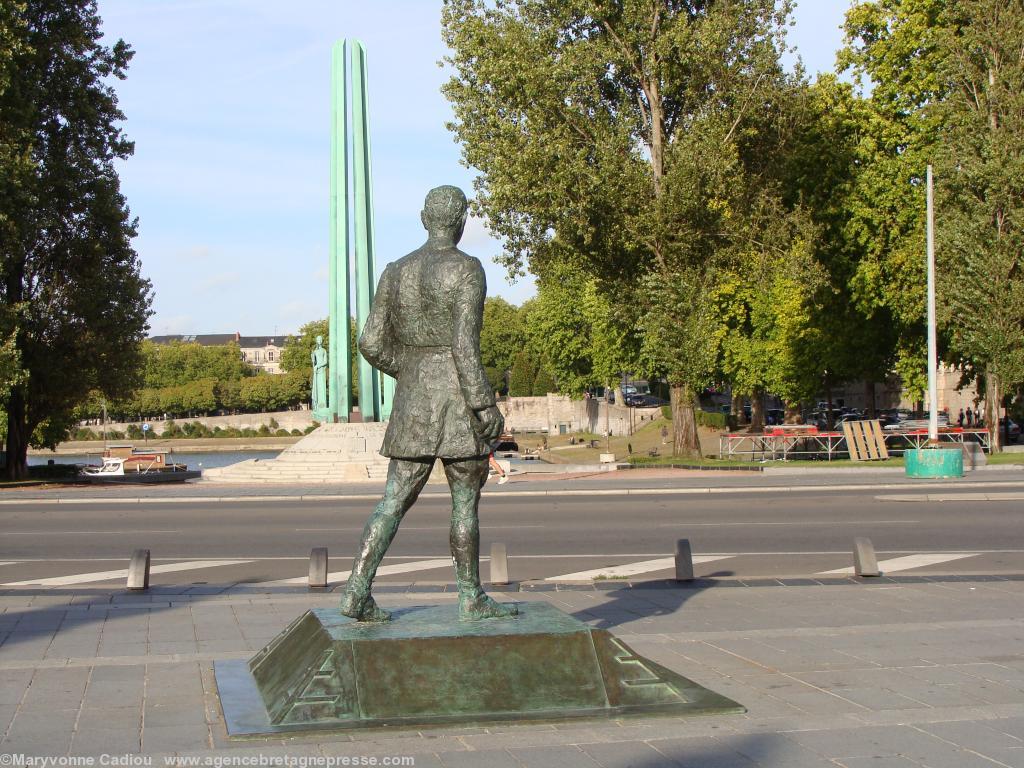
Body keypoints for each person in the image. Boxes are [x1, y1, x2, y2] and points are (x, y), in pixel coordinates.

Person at [339, 185, 516, 623]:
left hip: (413, 402)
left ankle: (357, 590)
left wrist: (412, 369)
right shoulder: (467, 269)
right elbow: (463, 346)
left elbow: (370, 341)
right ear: (462, 221)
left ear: (424, 218)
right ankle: (470, 597)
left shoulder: (395, 272)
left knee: (392, 502)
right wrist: (485, 406)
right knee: (464, 504)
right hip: (457, 403)